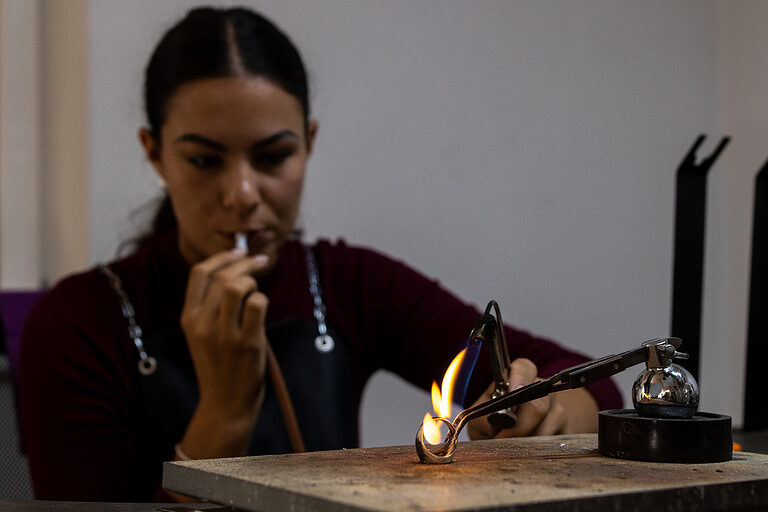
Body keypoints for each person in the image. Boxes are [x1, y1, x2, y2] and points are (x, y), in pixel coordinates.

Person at [19, 6, 621, 503]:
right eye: (204, 160)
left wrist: (546, 408)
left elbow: (594, 384)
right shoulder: (79, 323)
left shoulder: (347, 283)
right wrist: (226, 415)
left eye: (273, 156)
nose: (242, 196)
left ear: (308, 142)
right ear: (154, 153)